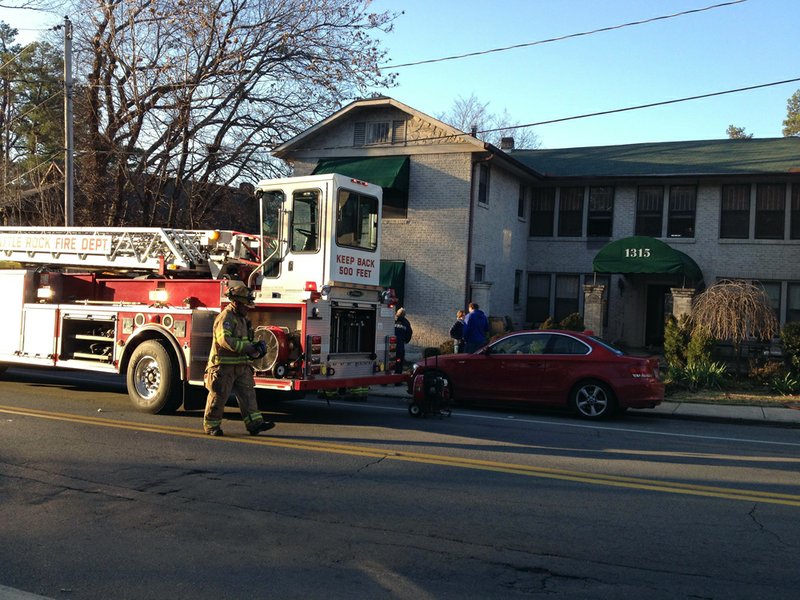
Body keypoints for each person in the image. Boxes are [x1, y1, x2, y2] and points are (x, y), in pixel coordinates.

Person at [203, 282, 276, 437]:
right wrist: (247, 348)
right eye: (245, 305)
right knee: (219, 396)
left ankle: (255, 424)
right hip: (223, 366)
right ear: (236, 302)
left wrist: (255, 347)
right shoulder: (226, 318)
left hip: (241, 365)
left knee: (248, 395)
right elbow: (225, 340)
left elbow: (245, 340)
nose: (248, 308)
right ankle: (212, 426)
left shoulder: (242, 318)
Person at [394, 307, 413, 374]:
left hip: (389, 346)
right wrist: (405, 340)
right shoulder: (406, 322)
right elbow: (409, 333)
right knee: (398, 361)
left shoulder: (392, 320)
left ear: (397, 313)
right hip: (400, 346)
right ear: (404, 315)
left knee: (388, 361)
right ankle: (397, 378)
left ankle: (385, 380)